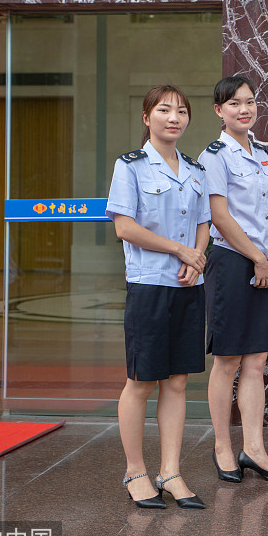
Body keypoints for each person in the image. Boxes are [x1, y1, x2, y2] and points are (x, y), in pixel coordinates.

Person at [105, 84, 208, 510]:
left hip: (188, 285)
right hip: (149, 284)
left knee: (178, 381)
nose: (174, 117)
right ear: (147, 117)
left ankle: (171, 471)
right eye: (164, 110)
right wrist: (181, 250)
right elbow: (125, 227)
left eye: (181, 111)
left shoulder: (195, 169)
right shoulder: (130, 166)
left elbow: (204, 222)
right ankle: (135, 471)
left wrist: (197, 257)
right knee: (142, 381)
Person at [198, 76, 268, 483]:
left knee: (257, 360)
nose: (245, 109)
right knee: (228, 361)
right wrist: (257, 257)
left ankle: (254, 448)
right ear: (219, 111)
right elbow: (219, 215)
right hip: (232, 261)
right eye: (235, 103)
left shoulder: (263, 154)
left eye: (250, 102)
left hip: (264, 263)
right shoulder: (214, 156)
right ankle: (223, 446)